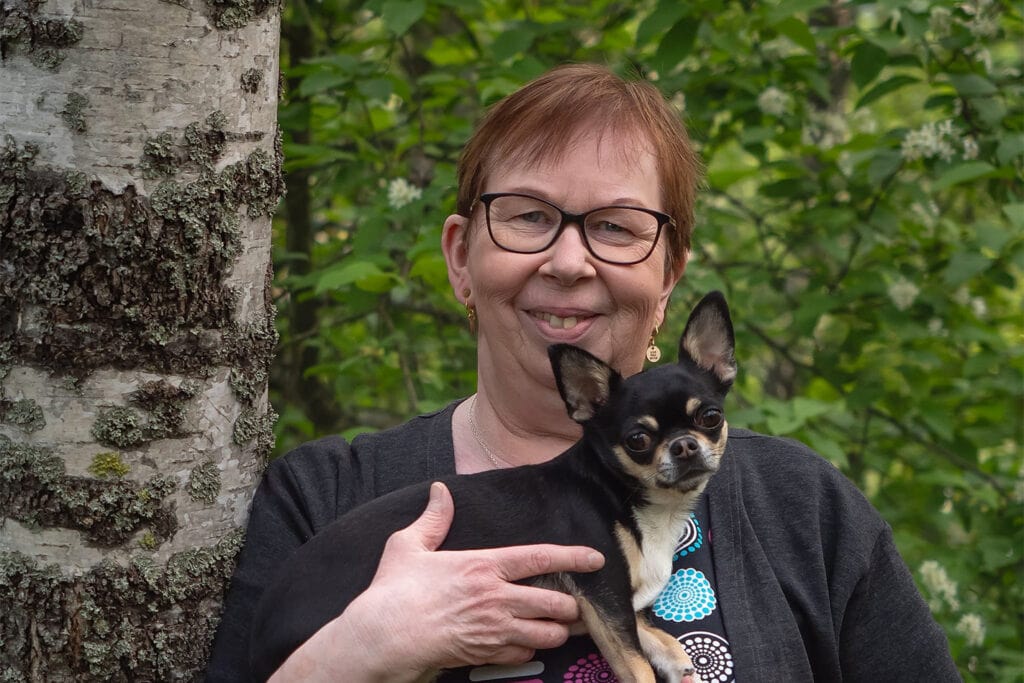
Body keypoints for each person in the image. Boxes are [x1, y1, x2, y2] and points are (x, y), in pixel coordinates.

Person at [205, 63, 960, 682]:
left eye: (615, 226)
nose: (568, 262)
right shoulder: (328, 495)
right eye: (529, 215)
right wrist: (360, 649)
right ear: (461, 257)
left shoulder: (801, 508)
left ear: (668, 277)